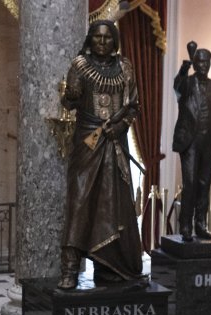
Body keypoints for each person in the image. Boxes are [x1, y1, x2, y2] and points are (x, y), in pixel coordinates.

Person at [58, 19, 141, 289]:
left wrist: (121, 126)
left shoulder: (125, 67)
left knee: (113, 205)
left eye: (107, 37)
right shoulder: (80, 65)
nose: (102, 42)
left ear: (114, 40)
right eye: (97, 37)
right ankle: (69, 270)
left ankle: (110, 267)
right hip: (88, 142)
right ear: (90, 40)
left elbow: (133, 106)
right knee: (80, 203)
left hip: (115, 142)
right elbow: (68, 102)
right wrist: (72, 95)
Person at [174, 42, 211, 242]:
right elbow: (177, 86)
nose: (204, 65)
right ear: (195, 63)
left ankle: (200, 225)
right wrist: (184, 68)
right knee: (189, 184)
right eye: (200, 61)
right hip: (190, 140)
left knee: (204, 184)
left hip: (209, 140)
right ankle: (185, 226)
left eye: (207, 62)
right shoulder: (187, 83)